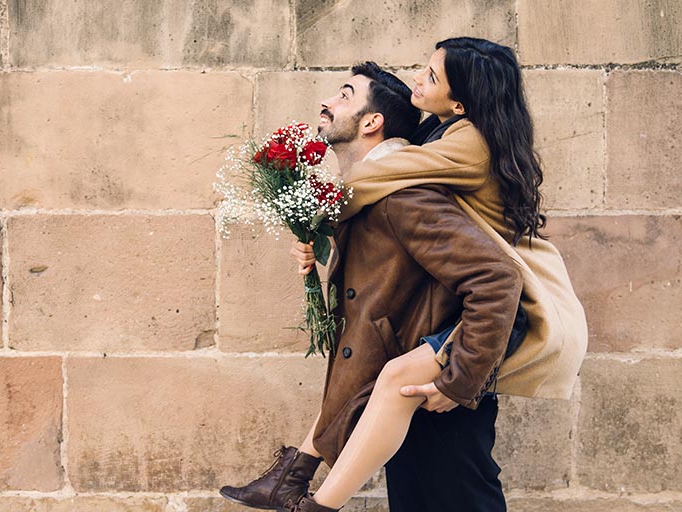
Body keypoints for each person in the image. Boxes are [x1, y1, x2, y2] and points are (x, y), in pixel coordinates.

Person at [221, 38, 587, 512]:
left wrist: (320, 210)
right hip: (449, 335)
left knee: (413, 409)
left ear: (458, 102)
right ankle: (293, 481)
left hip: (480, 328)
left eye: (431, 76)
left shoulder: (450, 156)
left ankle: (317, 505)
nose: (419, 78)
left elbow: (393, 178)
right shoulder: (441, 136)